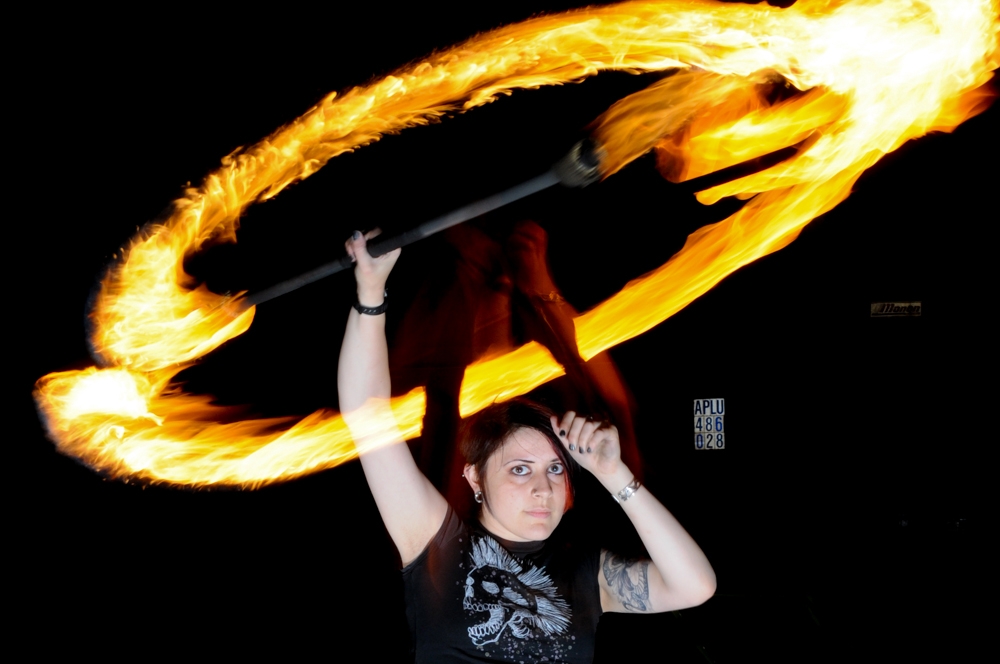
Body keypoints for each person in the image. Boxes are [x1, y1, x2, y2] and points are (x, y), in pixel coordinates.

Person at [338, 231, 716, 663]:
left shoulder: (585, 572)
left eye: (555, 469)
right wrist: (370, 293)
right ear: (475, 477)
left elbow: (695, 586)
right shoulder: (436, 543)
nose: (544, 489)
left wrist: (616, 476)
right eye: (520, 469)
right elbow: (366, 414)